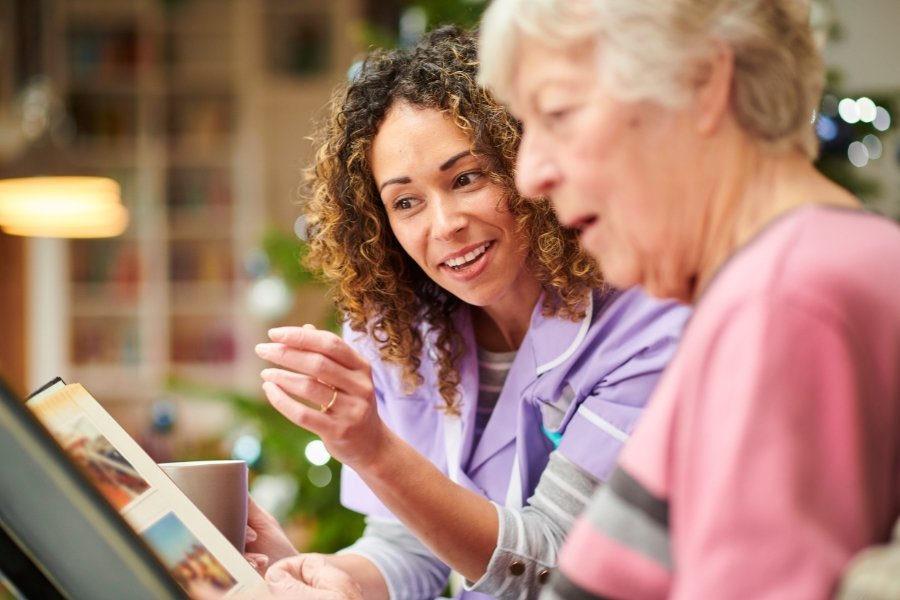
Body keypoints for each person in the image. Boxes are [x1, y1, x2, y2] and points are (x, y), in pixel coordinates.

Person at [476, 0, 900, 598]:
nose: (530, 174)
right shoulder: (797, 273)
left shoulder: (784, 298)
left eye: (559, 113)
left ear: (702, 83)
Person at [250, 26, 690, 600]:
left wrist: (374, 450)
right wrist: (322, 578)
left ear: (528, 162)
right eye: (406, 202)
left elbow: (554, 566)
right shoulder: (400, 333)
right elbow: (408, 546)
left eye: (466, 178)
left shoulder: (646, 326)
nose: (444, 224)